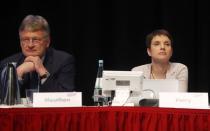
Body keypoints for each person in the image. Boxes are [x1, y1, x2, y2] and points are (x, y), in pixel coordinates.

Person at [0, 15, 75, 98]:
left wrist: (42, 71)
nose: (30, 45)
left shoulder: (63, 61)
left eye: (36, 40)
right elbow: (3, 100)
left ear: (47, 42)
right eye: (25, 39)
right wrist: (17, 74)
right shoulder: (7, 64)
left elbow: (67, 97)